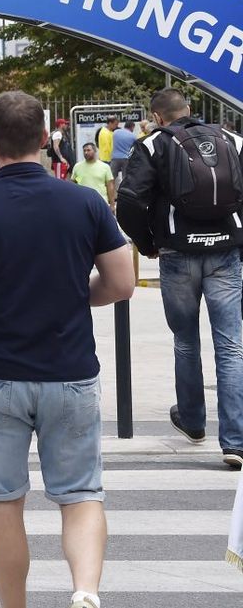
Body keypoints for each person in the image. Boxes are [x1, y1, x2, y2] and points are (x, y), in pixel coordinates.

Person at [0, 90, 135, 608]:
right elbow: (122, 283)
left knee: (3, 503)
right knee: (81, 495)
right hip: (70, 372)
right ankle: (86, 592)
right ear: (46, 140)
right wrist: (76, 297)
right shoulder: (85, 202)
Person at [117, 87, 243, 469]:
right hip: (226, 251)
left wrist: (147, 243)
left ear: (157, 117)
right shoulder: (232, 139)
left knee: (186, 342)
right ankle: (235, 441)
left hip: (177, 253)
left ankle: (192, 421)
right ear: (190, 110)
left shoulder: (153, 144)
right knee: (231, 346)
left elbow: (130, 201)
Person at [70, 142, 115, 211]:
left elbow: (110, 186)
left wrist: (112, 205)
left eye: (88, 150)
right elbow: (74, 184)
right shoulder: (77, 167)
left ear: (95, 151)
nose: (86, 153)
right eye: (84, 151)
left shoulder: (105, 167)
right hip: (83, 203)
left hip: (101, 203)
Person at [109, 121, 136, 185]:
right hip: (126, 158)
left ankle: (111, 191)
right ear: (132, 127)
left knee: (111, 177)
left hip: (115, 158)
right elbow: (134, 148)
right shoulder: (133, 136)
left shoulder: (116, 132)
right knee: (126, 177)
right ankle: (124, 192)